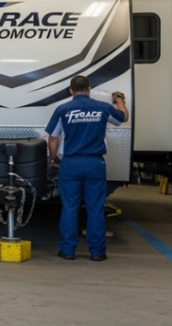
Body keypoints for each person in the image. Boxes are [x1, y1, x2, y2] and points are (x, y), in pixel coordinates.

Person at [45, 75, 129, 262]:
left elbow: (53, 138)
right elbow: (123, 117)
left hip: (71, 164)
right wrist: (119, 100)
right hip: (95, 163)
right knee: (95, 208)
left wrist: (53, 159)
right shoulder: (103, 107)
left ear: (71, 91)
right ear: (89, 89)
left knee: (70, 207)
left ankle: (67, 251)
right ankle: (97, 252)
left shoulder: (63, 109)